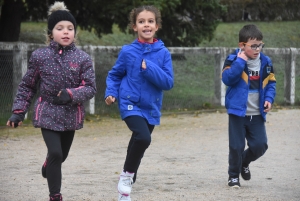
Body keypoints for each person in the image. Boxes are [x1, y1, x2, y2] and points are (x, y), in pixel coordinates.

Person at [6, 2, 96, 200]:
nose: (66, 32)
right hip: (47, 111)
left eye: (70, 29)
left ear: (75, 32)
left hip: (71, 115)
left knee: (60, 156)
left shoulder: (82, 58)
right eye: (60, 28)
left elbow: (90, 87)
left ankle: (48, 164)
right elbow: (27, 85)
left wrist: (71, 94)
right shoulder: (40, 56)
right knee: (55, 152)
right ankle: (55, 196)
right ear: (51, 33)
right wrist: (19, 111)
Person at [105, 5, 174, 201]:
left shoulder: (163, 54)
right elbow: (115, 75)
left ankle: (123, 190)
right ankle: (127, 177)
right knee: (143, 138)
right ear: (134, 26)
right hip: (130, 103)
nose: (146, 25)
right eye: (141, 21)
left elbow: (168, 83)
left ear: (157, 26)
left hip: (151, 107)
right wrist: (111, 93)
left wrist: (149, 67)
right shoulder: (127, 52)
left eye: (150, 21)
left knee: (137, 143)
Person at [222, 24, 276, 188]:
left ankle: (244, 162)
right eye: (253, 45)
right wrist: (241, 61)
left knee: (260, 145)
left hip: (257, 113)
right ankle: (233, 176)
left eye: (260, 44)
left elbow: (271, 83)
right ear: (242, 45)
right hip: (238, 113)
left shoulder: (266, 62)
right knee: (236, 146)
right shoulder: (232, 59)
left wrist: (269, 99)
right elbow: (228, 79)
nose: (257, 48)